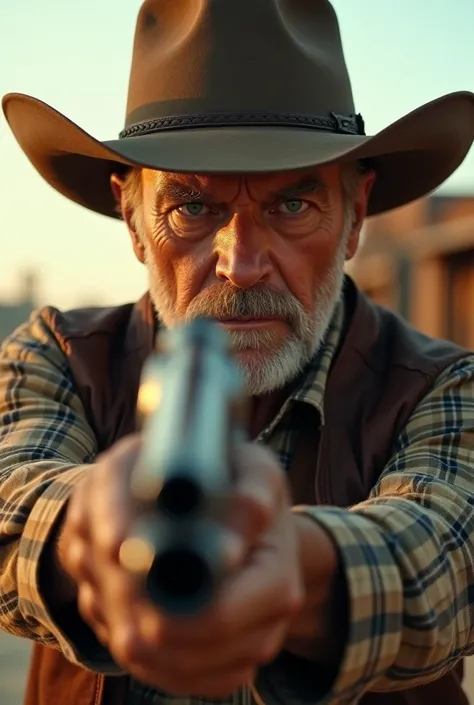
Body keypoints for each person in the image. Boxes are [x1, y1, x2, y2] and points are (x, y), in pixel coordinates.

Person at [1, 1, 474, 704]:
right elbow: (10, 496)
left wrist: (302, 573)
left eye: (291, 205)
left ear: (355, 219)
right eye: (192, 207)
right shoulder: (56, 354)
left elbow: (444, 554)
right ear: (133, 220)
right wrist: (89, 532)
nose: (242, 263)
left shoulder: (444, 386)